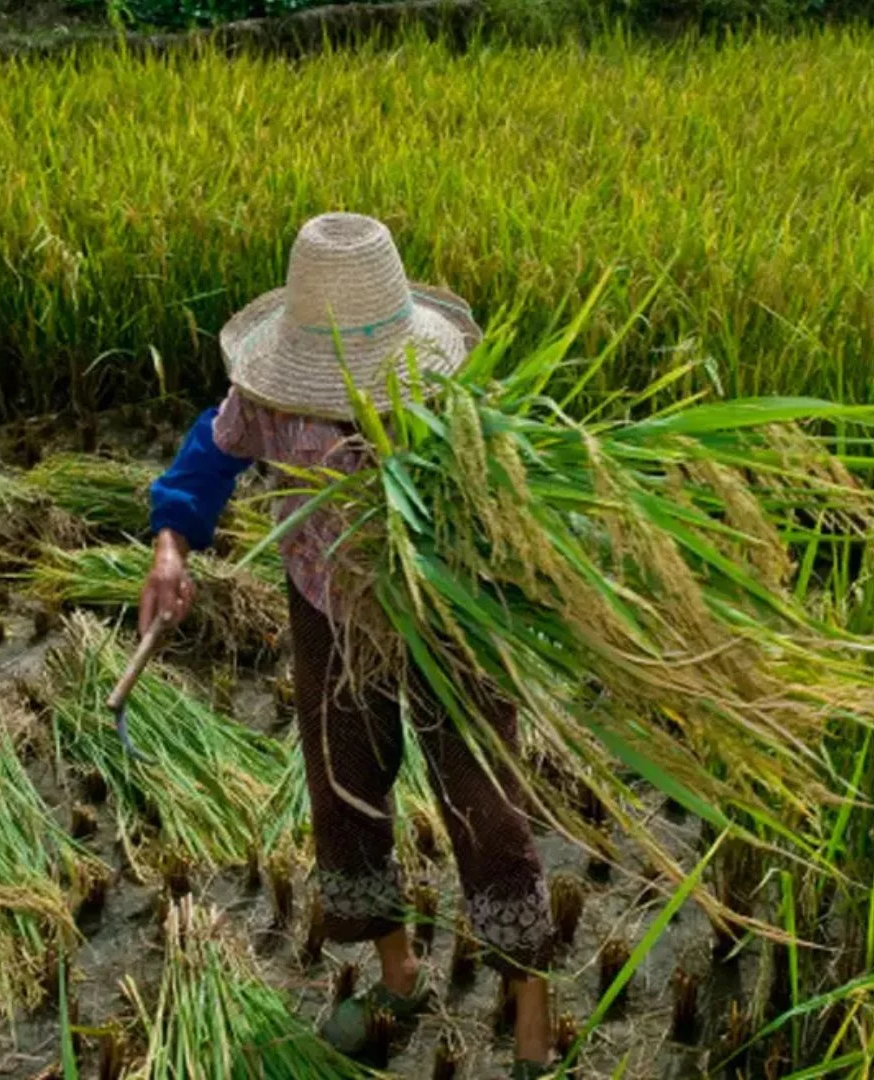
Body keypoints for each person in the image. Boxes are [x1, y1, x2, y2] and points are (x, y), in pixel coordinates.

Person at [139, 212, 556, 1078]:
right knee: (345, 781)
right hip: (327, 610)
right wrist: (171, 547)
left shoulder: (444, 401)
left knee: (484, 797)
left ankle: (531, 1010)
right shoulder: (267, 399)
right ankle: (397, 973)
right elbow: (206, 458)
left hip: (445, 613)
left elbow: (513, 506)